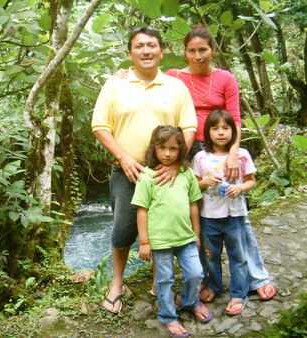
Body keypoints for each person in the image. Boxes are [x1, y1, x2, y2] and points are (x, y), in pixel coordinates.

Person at [114, 25, 276, 302]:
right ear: (184, 53)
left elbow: (234, 119)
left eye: (203, 50)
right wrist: (121, 74)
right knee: (199, 215)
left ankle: (256, 276)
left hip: (221, 148)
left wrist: (234, 153)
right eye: (192, 50)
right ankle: (205, 278)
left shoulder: (225, 78)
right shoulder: (175, 77)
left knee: (238, 216)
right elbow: (141, 78)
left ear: (212, 50)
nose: (198, 56)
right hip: (186, 150)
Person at [91, 26, 198, 314]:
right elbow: (100, 126)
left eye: (152, 45)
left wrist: (176, 162)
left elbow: (188, 126)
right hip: (127, 171)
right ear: (130, 53)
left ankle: (159, 281)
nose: (146, 51)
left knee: (163, 228)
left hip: (165, 172)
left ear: (162, 51)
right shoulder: (116, 85)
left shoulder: (176, 86)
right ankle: (117, 283)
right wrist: (124, 158)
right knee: (122, 230)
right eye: (139, 46)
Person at [132, 125, 212, 337]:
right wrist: (144, 242)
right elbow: (142, 210)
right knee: (164, 279)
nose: (168, 153)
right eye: (163, 148)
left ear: (181, 150)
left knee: (195, 272)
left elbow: (194, 204)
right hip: (160, 241)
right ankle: (168, 316)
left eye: (173, 149)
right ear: (154, 149)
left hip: (185, 237)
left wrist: (196, 233)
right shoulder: (147, 176)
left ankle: (190, 302)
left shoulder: (185, 175)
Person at [192, 109, 255, 315]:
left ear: (233, 131)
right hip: (209, 217)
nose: (221, 133)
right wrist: (205, 182)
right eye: (215, 128)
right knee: (210, 255)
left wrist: (240, 188)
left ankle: (239, 292)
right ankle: (214, 285)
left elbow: (251, 181)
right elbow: (194, 188)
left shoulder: (242, 155)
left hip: (235, 215)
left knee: (238, 255)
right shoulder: (201, 157)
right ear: (207, 132)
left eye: (226, 128)